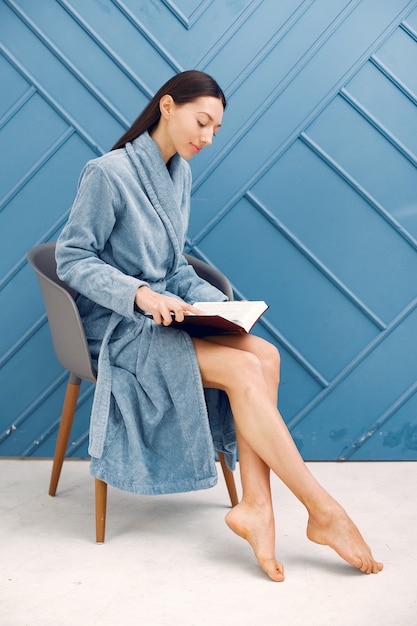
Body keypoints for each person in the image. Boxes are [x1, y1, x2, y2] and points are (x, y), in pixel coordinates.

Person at [55, 70, 383, 581]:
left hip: (170, 316)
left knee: (266, 355)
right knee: (244, 371)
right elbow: (72, 258)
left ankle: (257, 506)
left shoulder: (177, 173)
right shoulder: (107, 173)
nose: (207, 138)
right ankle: (324, 511)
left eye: (215, 130)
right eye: (202, 122)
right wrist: (138, 294)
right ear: (167, 106)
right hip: (123, 329)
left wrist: (218, 307)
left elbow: (175, 267)